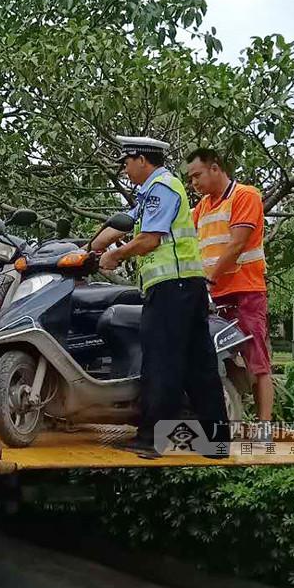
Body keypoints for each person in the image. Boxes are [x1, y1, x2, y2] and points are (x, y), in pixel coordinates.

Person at [89, 136, 228, 455]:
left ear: (142, 160)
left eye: (126, 161)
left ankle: (153, 440)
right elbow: (122, 225)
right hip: (185, 287)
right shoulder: (153, 191)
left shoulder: (162, 188)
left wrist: (116, 256)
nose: (124, 169)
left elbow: (150, 239)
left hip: (172, 289)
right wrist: (85, 248)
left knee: (162, 362)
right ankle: (216, 442)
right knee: (199, 365)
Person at [185, 147, 272, 423]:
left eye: (197, 175)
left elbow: (237, 243)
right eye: (190, 179)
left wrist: (208, 278)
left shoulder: (244, 195)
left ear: (215, 168)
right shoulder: (203, 207)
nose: (193, 183)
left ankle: (264, 425)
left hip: (245, 292)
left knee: (257, 362)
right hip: (216, 297)